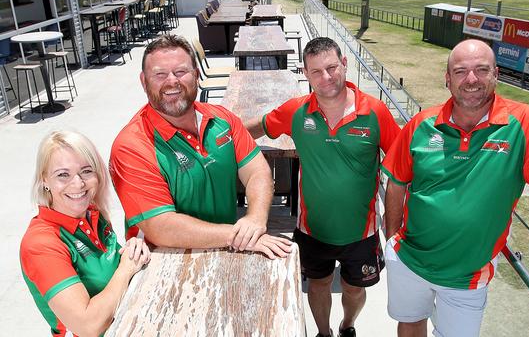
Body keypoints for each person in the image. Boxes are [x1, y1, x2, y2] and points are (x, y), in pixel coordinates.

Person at [381, 39, 529, 336]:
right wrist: (392, 236)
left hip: (468, 276)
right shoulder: (422, 124)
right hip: (409, 260)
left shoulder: (525, 122)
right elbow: (396, 183)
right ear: (447, 78)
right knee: (410, 323)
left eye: (481, 70)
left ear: (496, 74)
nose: (471, 79)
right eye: (460, 71)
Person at [246, 37, 401, 337]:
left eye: (331, 67)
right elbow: (260, 126)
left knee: (354, 289)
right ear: (305, 73)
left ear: (344, 64)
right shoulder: (297, 111)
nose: (326, 77)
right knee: (317, 285)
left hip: (362, 232)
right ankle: (324, 333)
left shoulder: (376, 113)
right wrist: (221, 137)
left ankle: (347, 325)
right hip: (312, 229)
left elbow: (402, 164)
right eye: (316, 71)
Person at [109, 34, 292, 259]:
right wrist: (237, 235)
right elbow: (161, 227)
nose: (171, 81)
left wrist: (255, 218)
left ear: (196, 75)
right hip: (162, 264)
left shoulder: (222, 119)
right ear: (143, 81)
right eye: (159, 74)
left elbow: (257, 171)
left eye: (180, 72)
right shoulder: (131, 146)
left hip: (226, 251)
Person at [20, 131, 151, 337]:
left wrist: (131, 249)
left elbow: (113, 267)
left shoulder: (92, 214)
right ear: (44, 180)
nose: (78, 184)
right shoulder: (41, 244)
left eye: (86, 171)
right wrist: (126, 268)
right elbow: (88, 326)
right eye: (63, 175)